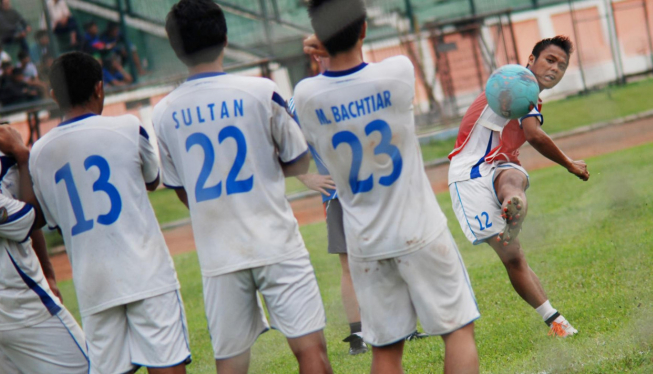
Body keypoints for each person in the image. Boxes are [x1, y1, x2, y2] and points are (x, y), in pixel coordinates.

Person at [295, 1, 480, 373]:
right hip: (419, 230)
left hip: (364, 241)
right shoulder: (397, 73)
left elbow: (327, 64)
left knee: (385, 349)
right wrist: (330, 37)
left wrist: (325, 41)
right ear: (363, 29)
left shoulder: (306, 95)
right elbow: (360, 57)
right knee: (458, 330)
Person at [154, 1, 332, 373]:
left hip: (219, 254)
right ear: (225, 38)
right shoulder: (261, 91)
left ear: (176, 48)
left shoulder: (164, 111)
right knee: (311, 353)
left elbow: (179, 188)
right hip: (276, 240)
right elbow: (297, 158)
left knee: (231, 365)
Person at [29, 52, 190, 374]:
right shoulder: (129, 126)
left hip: (93, 284)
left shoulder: (39, 153)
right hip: (147, 273)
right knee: (167, 367)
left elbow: (53, 221)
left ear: (54, 96)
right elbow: (152, 179)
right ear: (99, 88)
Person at [447, 36, 589, 338]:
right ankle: (513, 203)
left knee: (515, 178)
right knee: (513, 255)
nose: (555, 69)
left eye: (562, 66)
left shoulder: (524, 89)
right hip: (470, 173)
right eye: (550, 60)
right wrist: (570, 163)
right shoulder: (518, 83)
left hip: (500, 163)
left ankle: (513, 202)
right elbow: (534, 135)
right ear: (531, 59)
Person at [0, 125, 89, 373]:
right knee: (93, 367)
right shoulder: (13, 156)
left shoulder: (2, 149)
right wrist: (23, 157)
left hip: (8, 311)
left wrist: (49, 275)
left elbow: (25, 211)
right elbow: (32, 218)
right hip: (21, 307)